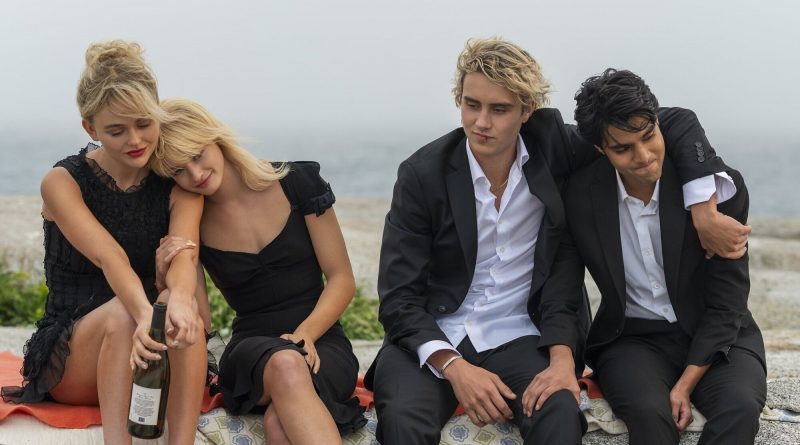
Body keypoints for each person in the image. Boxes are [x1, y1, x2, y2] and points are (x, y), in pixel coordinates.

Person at [364, 37, 750, 445]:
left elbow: (663, 122)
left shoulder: (554, 145)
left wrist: (702, 206)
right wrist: (454, 367)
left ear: (527, 110)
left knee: (559, 413)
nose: (481, 122)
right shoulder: (422, 175)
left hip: (520, 334)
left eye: (499, 109)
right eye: (471, 104)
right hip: (435, 334)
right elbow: (398, 299)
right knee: (402, 421)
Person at [542, 68, 765, 444]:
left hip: (720, 335)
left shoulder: (718, 192)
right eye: (623, 148)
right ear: (600, 149)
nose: (644, 157)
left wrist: (686, 383)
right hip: (631, 340)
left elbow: (728, 299)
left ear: (659, 124)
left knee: (739, 409)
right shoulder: (578, 198)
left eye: (648, 137)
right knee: (648, 413)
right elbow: (562, 289)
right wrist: (560, 359)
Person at [0, 41, 208, 444]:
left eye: (144, 123)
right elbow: (110, 257)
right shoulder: (63, 182)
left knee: (176, 305)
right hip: (75, 354)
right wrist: (144, 313)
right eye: (116, 130)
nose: (135, 139)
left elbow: (184, 254)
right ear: (90, 129)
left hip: (148, 348)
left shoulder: (176, 184)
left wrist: (180, 298)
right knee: (123, 313)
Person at [149, 98, 366, 445]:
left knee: (279, 425)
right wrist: (165, 278)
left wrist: (306, 333)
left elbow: (342, 279)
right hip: (251, 350)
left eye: (197, 155)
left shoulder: (298, 183)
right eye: (178, 170)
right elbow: (202, 322)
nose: (195, 174)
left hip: (322, 338)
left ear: (215, 138)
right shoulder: (194, 215)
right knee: (286, 364)